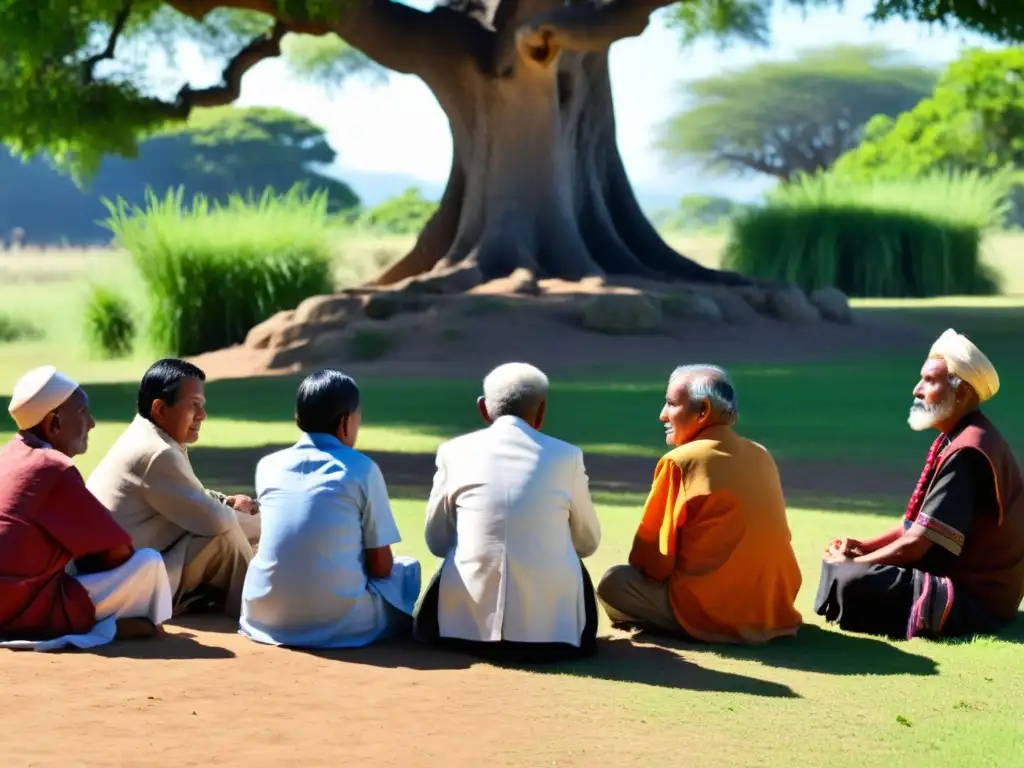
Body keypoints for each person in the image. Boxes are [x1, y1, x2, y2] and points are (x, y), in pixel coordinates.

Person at [816, 329, 1024, 640]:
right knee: (841, 565)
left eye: (929, 381)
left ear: (962, 391)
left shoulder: (968, 451)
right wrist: (861, 546)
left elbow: (917, 544)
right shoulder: (960, 438)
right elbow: (915, 527)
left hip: (977, 601)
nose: (916, 390)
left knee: (851, 579)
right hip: (976, 589)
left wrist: (855, 562)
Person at [597, 364, 802, 644]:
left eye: (670, 404)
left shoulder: (681, 461)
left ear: (703, 411)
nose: (662, 415)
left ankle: (696, 627)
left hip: (714, 611)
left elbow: (652, 562)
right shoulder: (760, 453)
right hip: (772, 609)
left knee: (614, 583)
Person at [413, 362, 602, 663]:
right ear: (541, 412)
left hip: (462, 634)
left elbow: (436, 542)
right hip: (554, 640)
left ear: (483, 410)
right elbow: (588, 543)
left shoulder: (453, 452)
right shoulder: (567, 456)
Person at [240, 370, 420, 648]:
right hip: (339, 623)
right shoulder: (362, 469)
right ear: (345, 422)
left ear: (298, 418)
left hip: (263, 617)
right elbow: (382, 567)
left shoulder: (268, 466)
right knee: (407, 569)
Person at [0, 366, 172, 649]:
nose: (91, 423)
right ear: (54, 423)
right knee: (148, 562)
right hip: (22, 611)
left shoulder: (8, 455)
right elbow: (118, 555)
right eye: (82, 412)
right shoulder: (54, 467)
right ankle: (116, 623)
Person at [87, 359, 256, 619]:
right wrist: (248, 516)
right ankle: (256, 609)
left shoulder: (148, 435)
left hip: (119, 572)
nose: (202, 415)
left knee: (247, 527)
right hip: (124, 585)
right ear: (159, 408)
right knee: (228, 536)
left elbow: (191, 496)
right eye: (194, 406)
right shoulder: (157, 452)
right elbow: (217, 521)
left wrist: (227, 502)